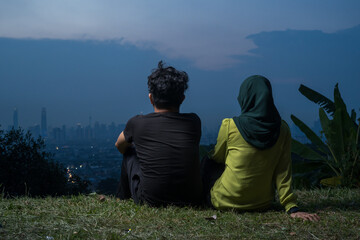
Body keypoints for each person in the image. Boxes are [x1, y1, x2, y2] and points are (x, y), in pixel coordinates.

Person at [201, 75, 319, 221]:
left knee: (208, 161)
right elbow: (283, 170)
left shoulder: (230, 125)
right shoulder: (283, 129)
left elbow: (217, 157)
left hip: (224, 202)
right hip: (262, 204)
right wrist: (291, 207)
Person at [115, 61, 202, 207]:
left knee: (129, 152)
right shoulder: (194, 122)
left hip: (151, 200)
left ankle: (122, 199)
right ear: (182, 99)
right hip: (191, 200)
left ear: (151, 98)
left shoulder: (137, 123)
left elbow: (119, 146)